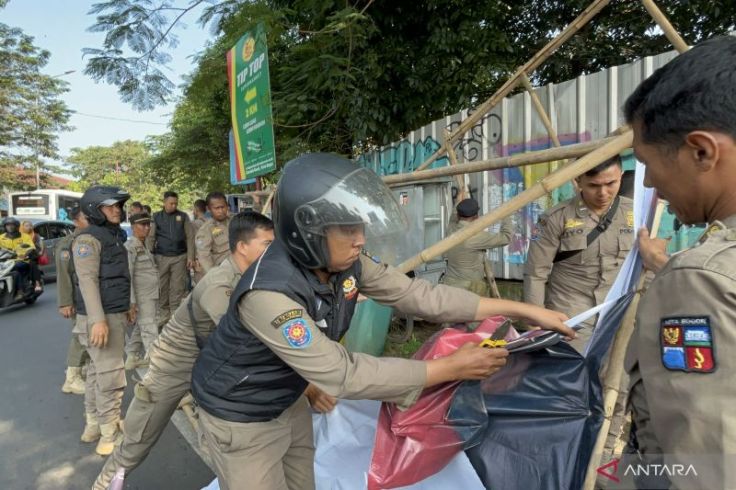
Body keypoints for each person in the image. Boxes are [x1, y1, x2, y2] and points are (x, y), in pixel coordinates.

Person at [191, 153, 573, 490]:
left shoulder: (343, 261)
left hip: (287, 397)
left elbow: (418, 295)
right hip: (239, 414)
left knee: (302, 483)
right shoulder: (268, 295)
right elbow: (343, 373)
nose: (360, 239)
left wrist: (521, 310)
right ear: (309, 229)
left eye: (361, 227)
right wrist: (449, 367)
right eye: (348, 229)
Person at [622, 35, 736, 490]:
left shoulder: (699, 280)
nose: (648, 182)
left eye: (647, 163)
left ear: (701, 151)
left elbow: (708, 471)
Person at [92, 212, 275, 490]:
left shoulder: (254, 276)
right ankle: (105, 485)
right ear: (242, 246)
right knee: (140, 438)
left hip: (211, 360)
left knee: (227, 439)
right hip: (174, 363)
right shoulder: (220, 283)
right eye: (267, 244)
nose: (274, 252)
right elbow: (245, 337)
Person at [523, 156, 634, 352]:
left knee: (616, 376)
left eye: (611, 183)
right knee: (571, 373)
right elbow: (535, 273)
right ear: (578, 180)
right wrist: (535, 321)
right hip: (572, 316)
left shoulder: (634, 212)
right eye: (593, 185)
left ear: (621, 177)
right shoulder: (555, 218)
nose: (603, 193)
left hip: (618, 312)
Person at [72, 185, 134, 456]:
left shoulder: (112, 236)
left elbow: (120, 275)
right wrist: (99, 320)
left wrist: (128, 305)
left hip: (112, 312)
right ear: (94, 211)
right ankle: (109, 434)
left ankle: (94, 424)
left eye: (118, 205)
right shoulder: (87, 240)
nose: (117, 210)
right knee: (111, 376)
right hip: (101, 318)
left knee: (97, 374)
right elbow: (86, 281)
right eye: (110, 206)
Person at [441, 198, 513, 297]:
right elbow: (506, 237)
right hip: (468, 291)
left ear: (458, 215)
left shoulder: (451, 228)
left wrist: (459, 199)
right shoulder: (475, 237)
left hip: (449, 285)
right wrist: (506, 215)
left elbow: (454, 215)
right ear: (476, 217)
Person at [147, 191, 195, 325]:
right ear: (164, 202)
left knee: (177, 287)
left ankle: (174, 313)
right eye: (171, 203)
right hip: (161, 257)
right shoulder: (156, 217)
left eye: (176, 203)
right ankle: (163, 313)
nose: (173, 206)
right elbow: (151, 237)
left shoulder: (183, 216)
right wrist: (149, 256)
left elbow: (190, 237)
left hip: (180, 257)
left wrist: (190, 256)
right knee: (162, 286)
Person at [56, 206, 90, 395]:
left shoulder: (89, 240)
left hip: (87, 294)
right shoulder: (67, 244)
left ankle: (82, 368)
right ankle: (72, 377)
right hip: (76, 296)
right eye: (86, 218)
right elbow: (64, 275)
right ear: (76, 221)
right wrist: (65, 302)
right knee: (80, 334)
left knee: (87, 333)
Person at [123, 213, 159, 369]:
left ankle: (132, 356)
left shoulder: (144, 244)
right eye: (142, 225)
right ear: (132, 227)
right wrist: (131, 302)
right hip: (142, 297)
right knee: (150, 329)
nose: (147, 228)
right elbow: (128, 276)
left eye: (148, 225)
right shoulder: (130, 247)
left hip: (150, 295)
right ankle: (156, 366)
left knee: (142, 326)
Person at [194, 192, 231, 282]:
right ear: (208, 209)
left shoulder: (234, 221)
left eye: (223, 207)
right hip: (220, 272)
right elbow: (204, 257)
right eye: (216, 208)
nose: (221, 211)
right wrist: (215, 277)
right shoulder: (206, 230)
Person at [0, 217, 42, 293]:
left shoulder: (24, 236)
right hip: (5, 262)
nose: (10, 227)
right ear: (5, 226)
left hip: (22, 260)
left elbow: (31, 247)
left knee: (16, 269)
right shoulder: (1, 237)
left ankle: (21, 290)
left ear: (16, 226)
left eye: (12, 225)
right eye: (8, 225)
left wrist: (25, 254)